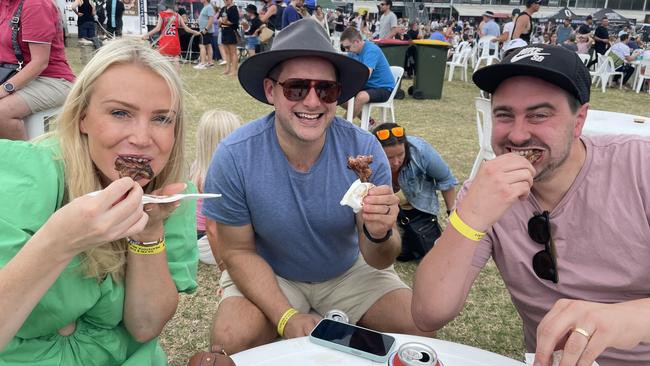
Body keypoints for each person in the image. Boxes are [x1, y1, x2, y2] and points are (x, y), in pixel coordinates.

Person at [203, 18, 434, 355]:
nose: (312, 102)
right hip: (272, 271)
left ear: (337, 94)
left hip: (348, 269)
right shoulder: (235, 155)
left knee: (420, 334)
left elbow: (380, 259)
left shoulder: (365, 151)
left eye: (326, 89)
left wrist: (381, 232)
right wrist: (286, 317)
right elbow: (237, 250)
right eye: (296, 87)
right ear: (271, 91)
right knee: (231, 339)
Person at [412, 44, 650, 366]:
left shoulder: (640, 166)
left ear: (579, 120)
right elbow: (428, 313)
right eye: (504, 115)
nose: (519, 135)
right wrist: (469, 217)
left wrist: (618, 319)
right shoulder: (485, 194)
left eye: (539, 115)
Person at [0, 39, 198, 365]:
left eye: (162, 119)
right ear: (82, 117)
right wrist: (60, 242)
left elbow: (145, 326)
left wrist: (150, 231)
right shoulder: (28, 175)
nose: (142, 138)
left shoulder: (171, 194)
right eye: (120, 113)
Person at [372, 122, 457, 262]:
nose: (396, 162)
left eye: (400, 154)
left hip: (418, 210)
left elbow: (446, 180)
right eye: (389, 157)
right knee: (398, 254)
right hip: (391, 214)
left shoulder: (421, 151)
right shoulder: (368, 159)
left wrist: (451, 213)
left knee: (431, 255)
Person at [0, 0, 75, 141]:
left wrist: (4, 89)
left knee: (1, 113)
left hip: (52, 79)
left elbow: (39, 62)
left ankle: (24, 161)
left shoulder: (35, 4)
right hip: (15, 73)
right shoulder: (5, 4)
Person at [190, 109, 241, 267]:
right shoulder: (217, 178)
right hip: (206, 241)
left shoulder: (197, 167)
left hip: (195, 236)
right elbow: (213, 228)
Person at [340, 27, 395, 122]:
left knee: (361, 97)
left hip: (384, 88)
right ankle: (369, 122)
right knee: (339, 94)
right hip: (368, 87)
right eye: (345, 48)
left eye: (348, 47)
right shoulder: (353, 53)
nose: (347, 50)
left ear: (356, 41)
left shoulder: (371, 50)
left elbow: (365, 75)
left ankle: (343, 124)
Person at [142, 0, 201, 70]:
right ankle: (176, 77)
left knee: (163, 61)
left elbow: (157, 28)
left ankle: (165, 76)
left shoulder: (162, 14)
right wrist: (196, 32)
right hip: (174, 42)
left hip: (165, 41)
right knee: (176, 59)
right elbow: (187, 29)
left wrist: (147, 34)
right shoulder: (177, 15)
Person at [218, 0, 240, 76]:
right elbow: (219, 19)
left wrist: (224, 22)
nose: (225, 1)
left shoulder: (234, 8)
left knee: (233, 52)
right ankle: (227, 69)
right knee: (227, 52)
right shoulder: (223, 8)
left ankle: (234, 70)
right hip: (224, 31)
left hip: (231, 31)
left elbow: (235, 23)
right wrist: (222, 21)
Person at [194, 0, 215, 69]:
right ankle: (210, 63)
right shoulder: (206, 7)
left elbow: (211, 20)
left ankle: (202, 63)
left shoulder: (209, 7)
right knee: (208, 45)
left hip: (205, 30)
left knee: (201, 45)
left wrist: (205, 29)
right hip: (204, 30)